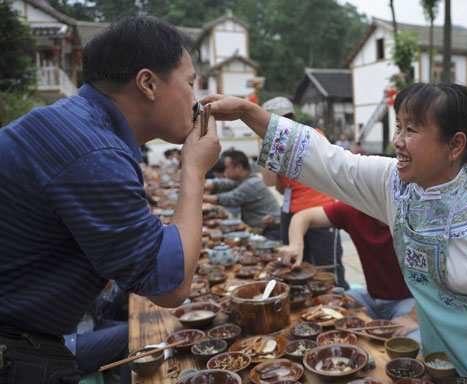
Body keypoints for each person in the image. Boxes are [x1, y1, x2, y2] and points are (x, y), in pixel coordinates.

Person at [201, 82, 467, 383]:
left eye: (412, 129)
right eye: (398, 126)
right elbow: (331, 161)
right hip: (446, 363)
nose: (397, 140)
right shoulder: (394, 184)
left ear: (455, 144)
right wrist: (249, 114)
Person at [0, 15, 220, 383]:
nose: (196, 102)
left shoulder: (76, 125)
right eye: (190, 84)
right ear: (148, 83)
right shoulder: (93, 151)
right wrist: (194, 169)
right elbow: (170, 286)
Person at [280, 201, 420, 341]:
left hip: (410, 301)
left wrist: (414, 318)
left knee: (413, 344)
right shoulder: (354, 209)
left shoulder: (414, 217)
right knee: (322, 313)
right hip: (370, 297)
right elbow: (303, 217)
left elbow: (438, 278)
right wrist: (296, 246)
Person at [261, 96, 348, 289]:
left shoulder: (313, 134)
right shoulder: (273, 145)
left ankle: (338, 300)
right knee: (295, 265)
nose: (281, 124)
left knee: (328, 267)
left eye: (284, 118)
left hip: (321, 212)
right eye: (273, 121)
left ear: (292, 116)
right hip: (291, 215)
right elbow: (272, 183)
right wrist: (268, 143)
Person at [203, 150, 281, 240]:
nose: (225, 171)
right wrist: (204, 187)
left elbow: (227, 199)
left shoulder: (251, 184)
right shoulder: (245, 179)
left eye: (227, 168)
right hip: (262, 228)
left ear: (238, 168)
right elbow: (224, 184)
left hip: (269, 231)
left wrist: (199, 197)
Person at [63, 282, 130, 383]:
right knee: (130, 335)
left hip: (91, 326)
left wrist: (107, 285)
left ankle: (116, 375)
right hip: (67, 345)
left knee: (135, 327)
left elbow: (102, 303)